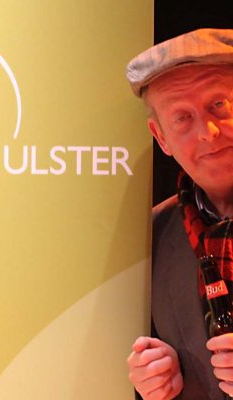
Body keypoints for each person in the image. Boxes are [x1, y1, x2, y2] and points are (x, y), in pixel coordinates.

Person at [126, 28, 233, 400]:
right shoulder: (153, 235)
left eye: (218, 104)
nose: (207, 131)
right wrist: (160, 379)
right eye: (182, 118)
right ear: (161, 138)